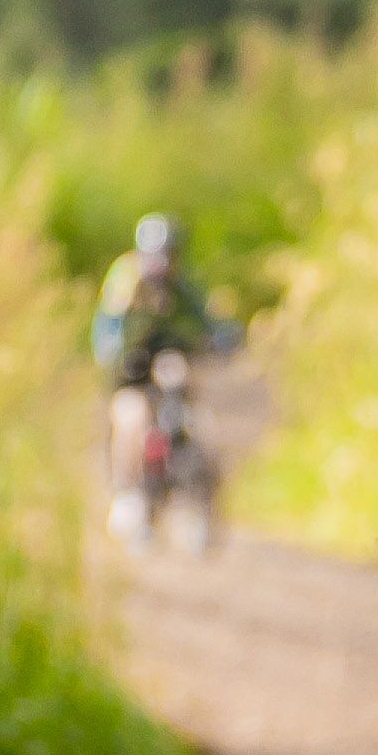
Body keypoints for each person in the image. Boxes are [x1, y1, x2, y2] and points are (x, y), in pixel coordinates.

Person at [90, 211, 227, 544]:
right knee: (132, 416)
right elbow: (109, 325)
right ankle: (127, 493)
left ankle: (198, 486)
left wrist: (219, 335)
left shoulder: (179, 286)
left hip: (163, 357)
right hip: (130, 369)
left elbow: (203, 318)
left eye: (169, 255)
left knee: (181, 383)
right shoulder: (125, 280)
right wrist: (114, 352)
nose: (162, 264)